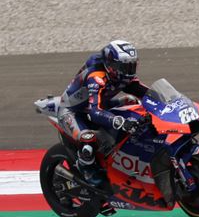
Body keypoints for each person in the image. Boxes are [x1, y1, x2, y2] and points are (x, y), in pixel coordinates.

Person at [57, 40, 149, 186]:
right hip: (73, 111)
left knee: (132, 102)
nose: (128, 71)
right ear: (111, 63)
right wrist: (119, 121)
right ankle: (86, 169)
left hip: (99, 104)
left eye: (131, 66)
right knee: (88, 138)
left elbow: (147, 93)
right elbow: (94, 112)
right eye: (124, 66)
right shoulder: (96, 77)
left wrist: (168, 102)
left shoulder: (123, 75)